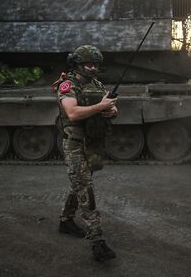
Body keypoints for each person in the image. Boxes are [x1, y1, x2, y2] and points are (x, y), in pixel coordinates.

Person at [55, 45, 118, 262]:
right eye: (89, 64)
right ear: (78, 64)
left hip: (92, 143)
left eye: (96, 64)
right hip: (74, 144)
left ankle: (66, 220)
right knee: (85, 189)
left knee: (80, 183)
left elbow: (110, 109)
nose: (93, 68)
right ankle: (97, 241)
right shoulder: (67, 85)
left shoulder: (97, 84)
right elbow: (72, 113)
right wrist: (101, 107)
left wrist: (110, 109)